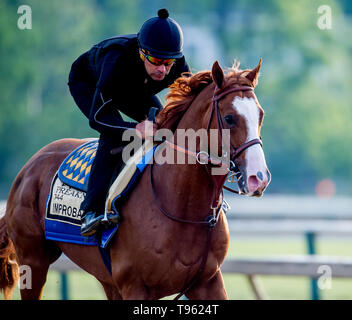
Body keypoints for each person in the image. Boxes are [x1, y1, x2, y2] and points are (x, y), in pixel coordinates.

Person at [68, 8, 190, 237]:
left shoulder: (179, 66)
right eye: (156, 61)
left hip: (135, 86)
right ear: (142, 53)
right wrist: (136, 128)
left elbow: (187, 109)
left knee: (165, 126)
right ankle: (91, 211)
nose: (163, 69)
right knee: (114, 134)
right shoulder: (116, 61)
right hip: (90, 82)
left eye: (168, 62)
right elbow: (99, 119)